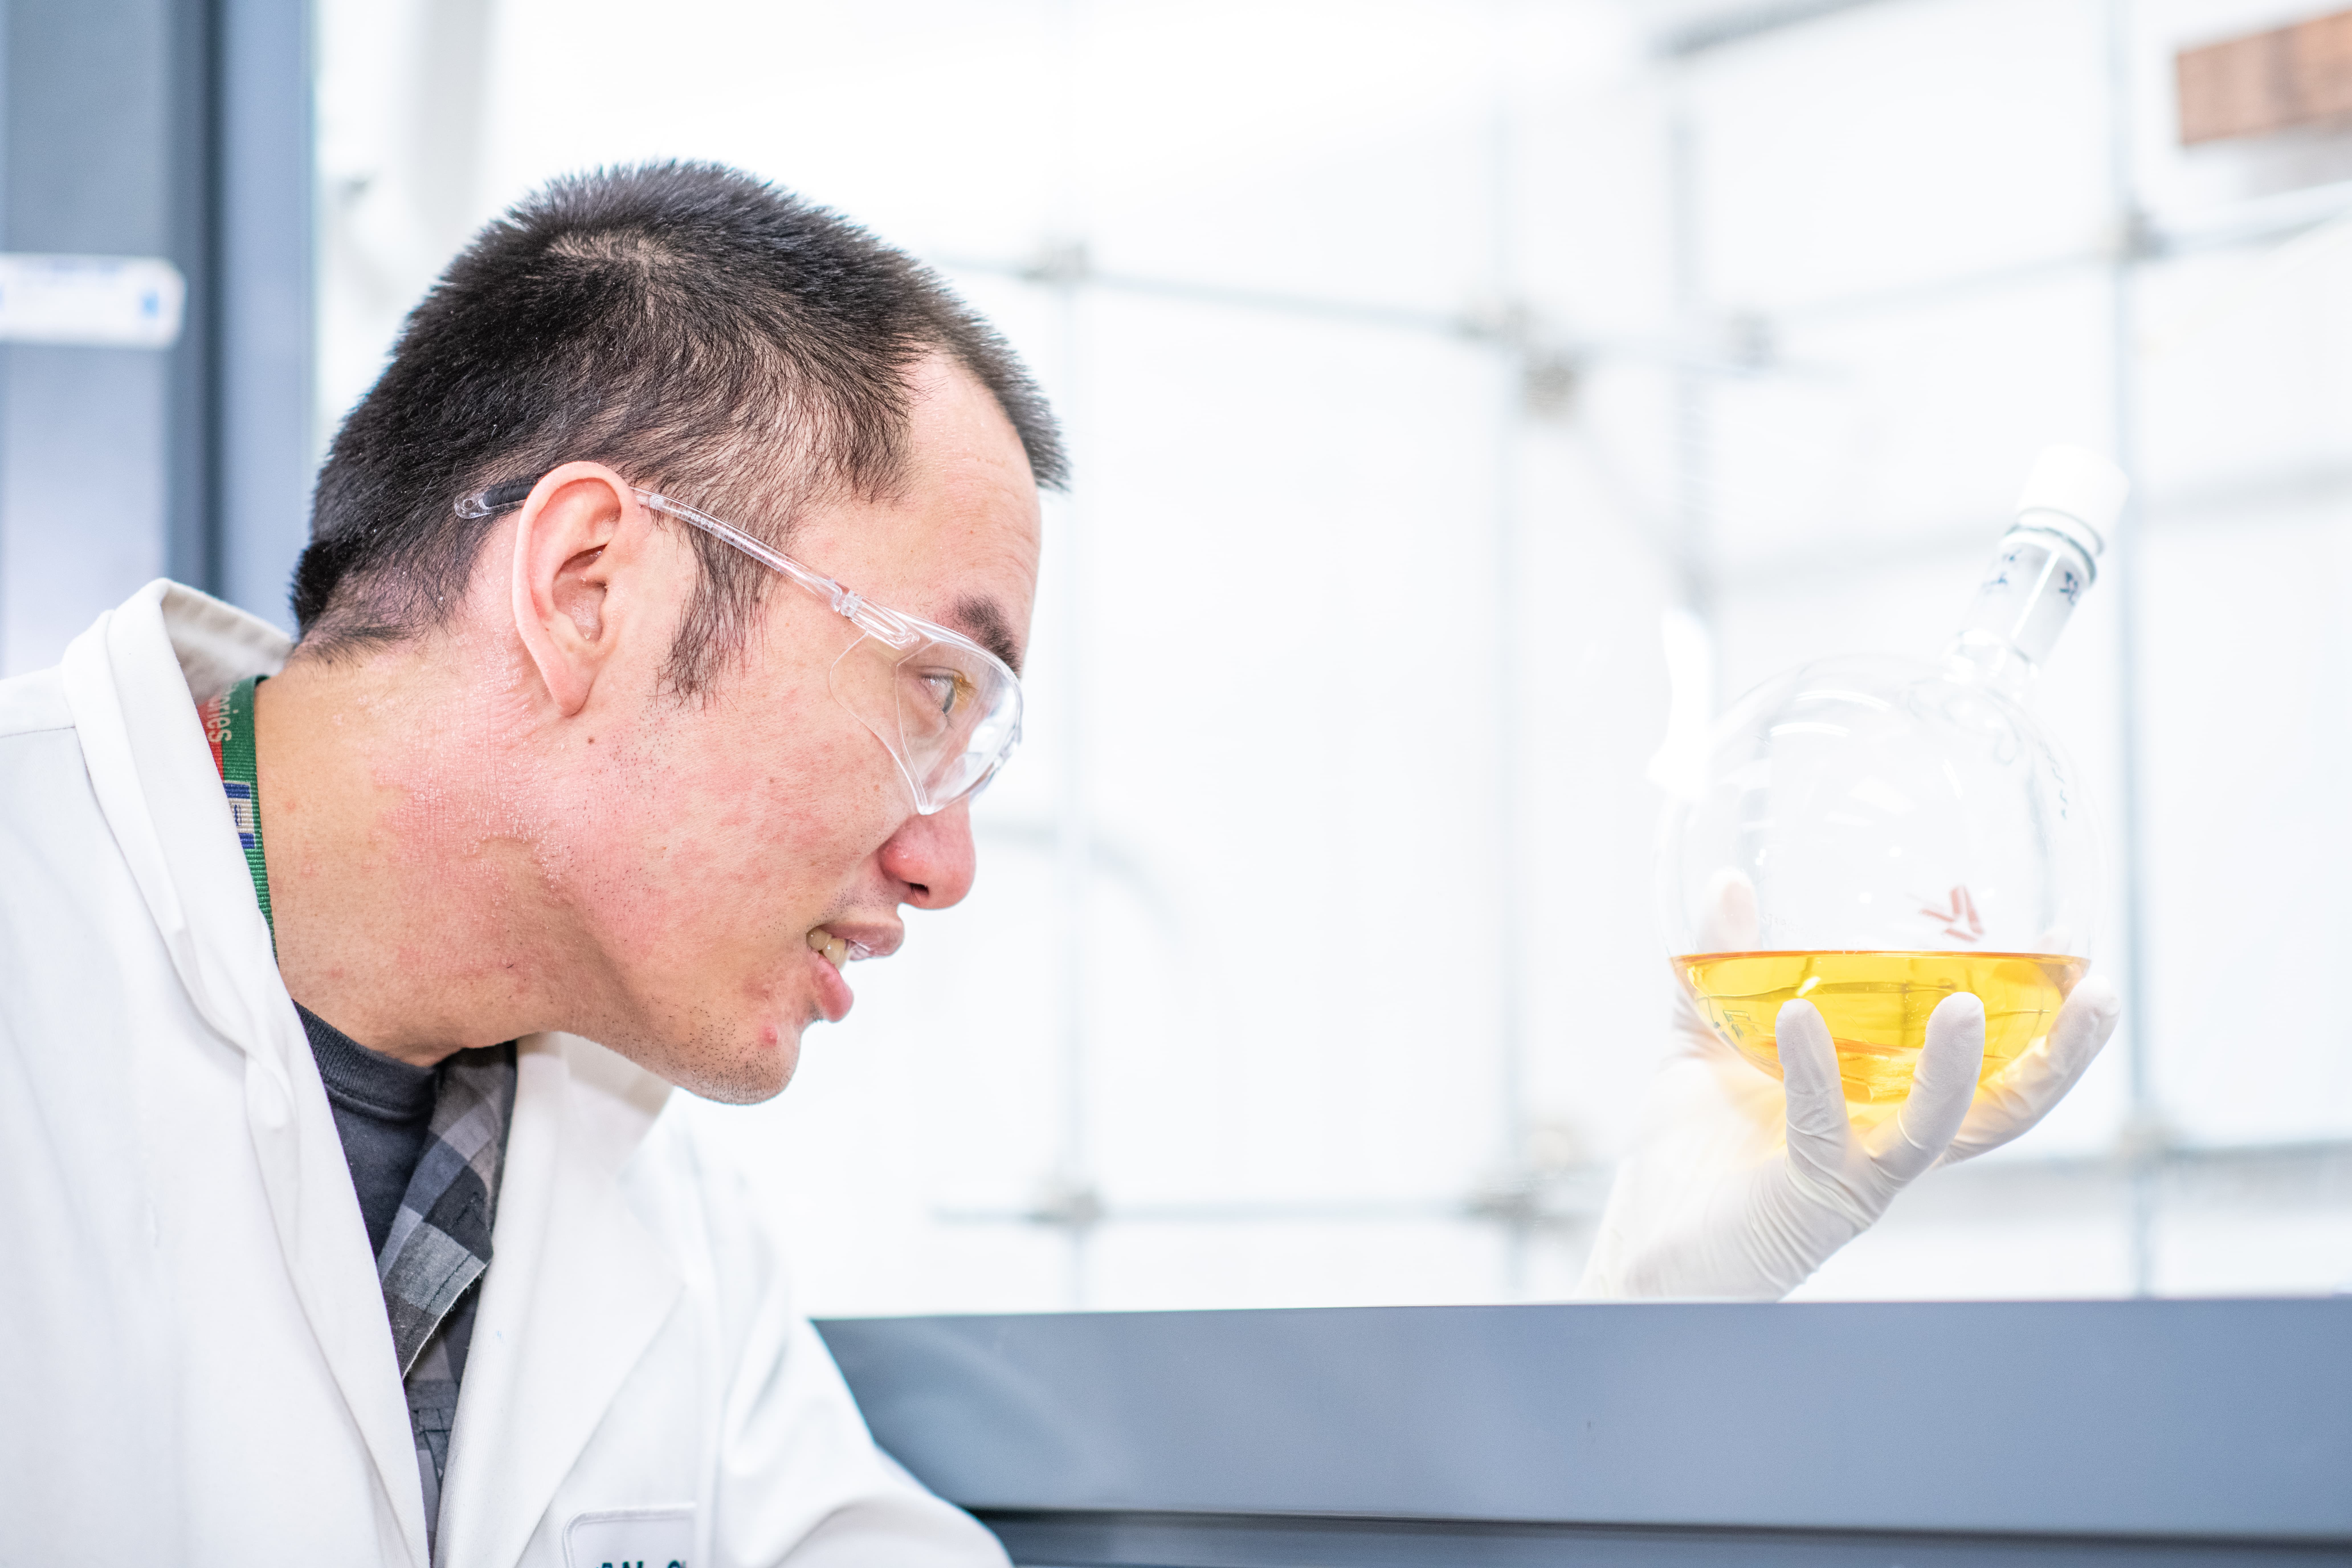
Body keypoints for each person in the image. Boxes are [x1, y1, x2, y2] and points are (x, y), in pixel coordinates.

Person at [0, 162, 2119, 1565]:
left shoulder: (641, 1228)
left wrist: (1644, 1342)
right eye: (938, 698)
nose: (947, 861)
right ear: (586, 586)